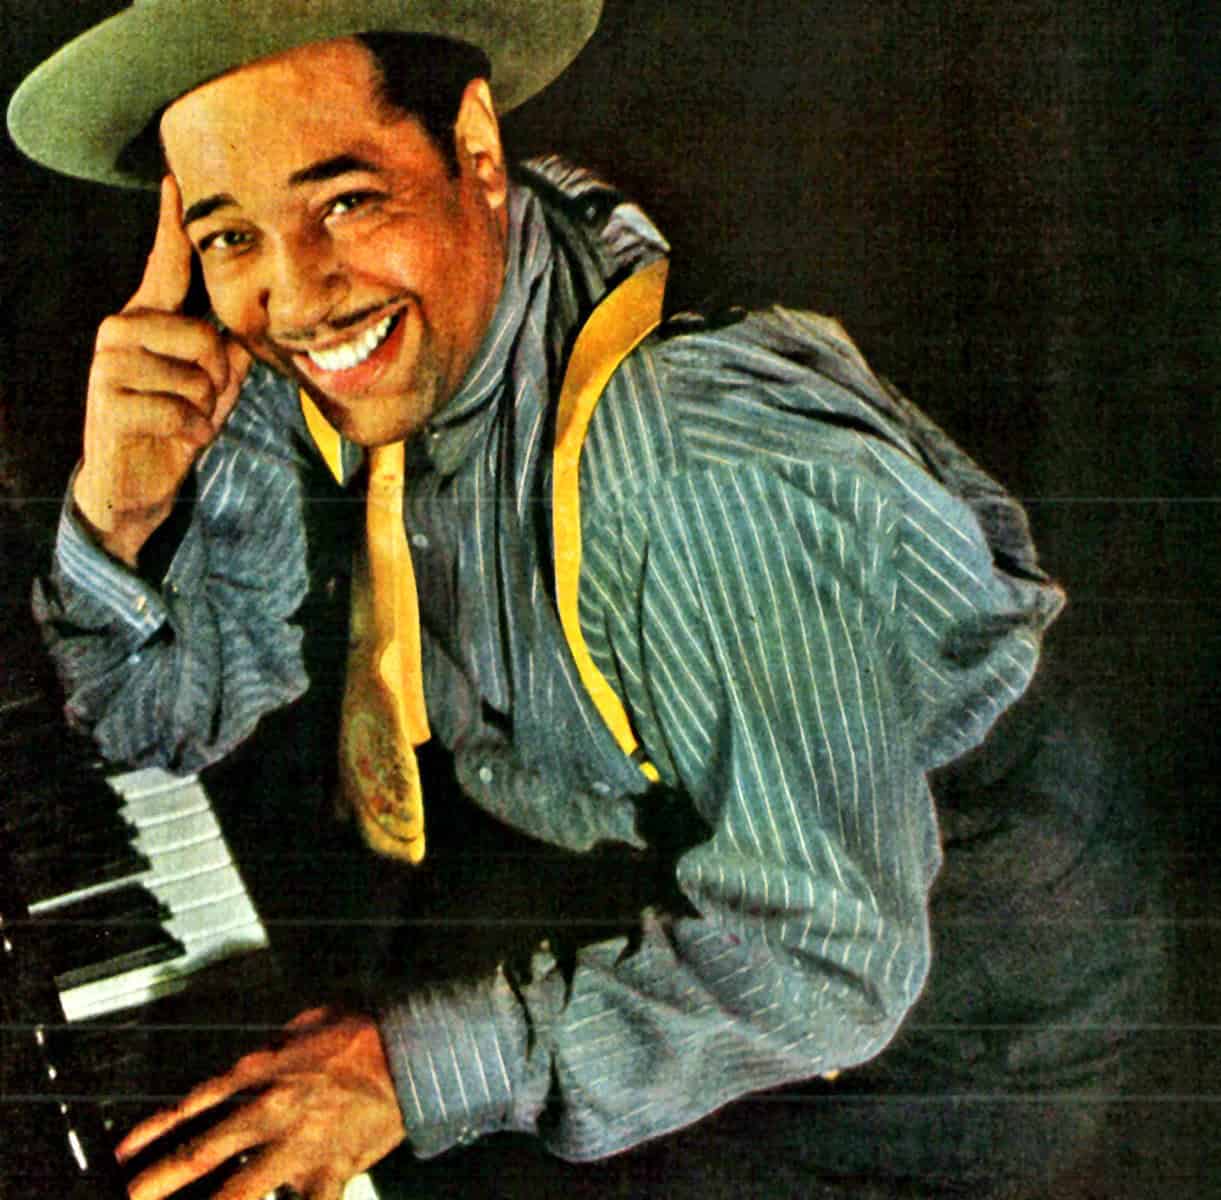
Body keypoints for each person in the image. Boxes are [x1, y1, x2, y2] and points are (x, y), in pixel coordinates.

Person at [9, 4, 1158, 1199]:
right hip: (666, 844)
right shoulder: (322, 353)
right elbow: (158, 726)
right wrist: (116, 514)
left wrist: (404, 1076)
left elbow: (828, 957)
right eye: (230, 235)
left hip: (960, 959)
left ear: (476, 149)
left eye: (346, 201)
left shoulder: (692, 466)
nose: (295, 296)